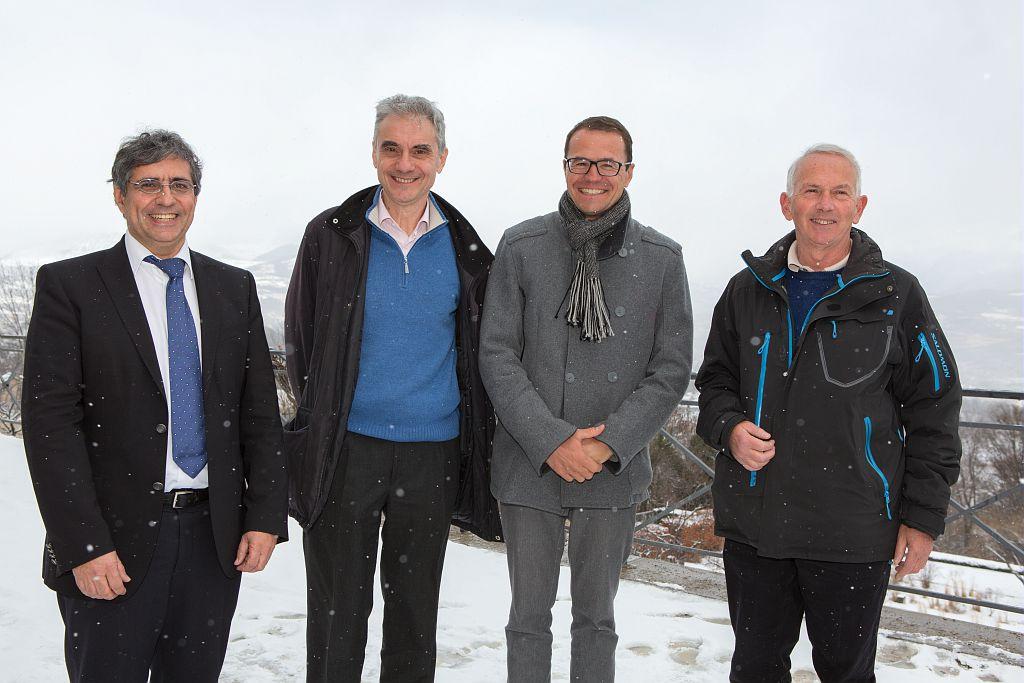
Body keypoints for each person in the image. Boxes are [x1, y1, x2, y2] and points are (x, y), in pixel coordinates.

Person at [22, 129, 289, 682]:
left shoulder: (232, 288)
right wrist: (84, 545)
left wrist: (264, 517)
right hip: (112, 548)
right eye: (148, 185)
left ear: (195, 196)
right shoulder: (70, 286)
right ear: (120, 196)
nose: (166, 199)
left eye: (179, 185)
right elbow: (51, 429)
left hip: (212, 543)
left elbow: (258, 415)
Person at [696, 143, 962, 682]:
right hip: (758, 526)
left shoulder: (898, 294)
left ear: (859, 206)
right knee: (754, 671)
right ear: (786, 203)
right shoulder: (746, 290)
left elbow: (935, 406)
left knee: (846, 673)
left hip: (855, 530)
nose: (825, 204)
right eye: (811, 190)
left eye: (839, 192)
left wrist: (922, 517)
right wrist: (728, 428)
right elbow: (715, 382)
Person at [284, 94, 499, 683]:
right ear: (374, 153)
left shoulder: (466, 247)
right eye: (392, 148)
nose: (406, 163)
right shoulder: (331, 235)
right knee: (336, 614)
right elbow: (303, 339)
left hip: (433, 453)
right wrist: (324, 418)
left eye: (420, 150)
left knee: (414, 614)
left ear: (442, 158)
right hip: (346, 448)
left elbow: (479, 350)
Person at [479, 115, 693, 683]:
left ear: (628, 172)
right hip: (529, 462)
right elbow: (496, 352)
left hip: (613, 467)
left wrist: (608, 445)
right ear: (565, 166)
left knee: (596, 619)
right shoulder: (521, 246)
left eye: (607, 164)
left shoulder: (662, 259)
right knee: (527, 618)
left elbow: (670, 369)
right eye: (580, 162)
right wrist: (551, 441)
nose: (592, 175)